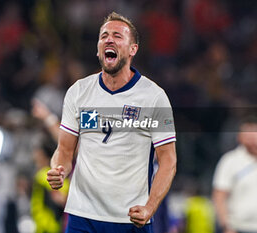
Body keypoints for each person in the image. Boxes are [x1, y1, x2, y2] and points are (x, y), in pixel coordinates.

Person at [47, 12, 177, 233]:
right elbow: (64, 151)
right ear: (98, 47)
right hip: (82, 216)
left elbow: (168, 161)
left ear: (133, 49)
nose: (109, 39)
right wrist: (58, 170)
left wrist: (150, 208)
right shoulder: (78, 92)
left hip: (130, 218)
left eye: (117, 36)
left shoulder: (154, 97)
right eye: (104, 35)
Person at [212, 119, 257, 233]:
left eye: (256, 134)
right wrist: (226, 226)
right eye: (248, 134)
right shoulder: (230, 160)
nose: (253, 139)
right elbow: (219, 196)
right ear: (239, 137)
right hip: (239, 227)